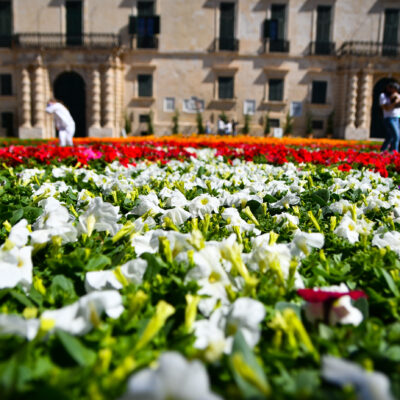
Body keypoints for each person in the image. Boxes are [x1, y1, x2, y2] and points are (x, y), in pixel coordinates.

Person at [380, 82, 400, 152]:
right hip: (389, 118)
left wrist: (397, 98)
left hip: (397, 118)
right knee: (396, 136)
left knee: (390, 136)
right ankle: (394, 152)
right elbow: (386, 108)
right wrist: (394, 102)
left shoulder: (397, 96)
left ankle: (383, 150)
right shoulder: (383, 96)